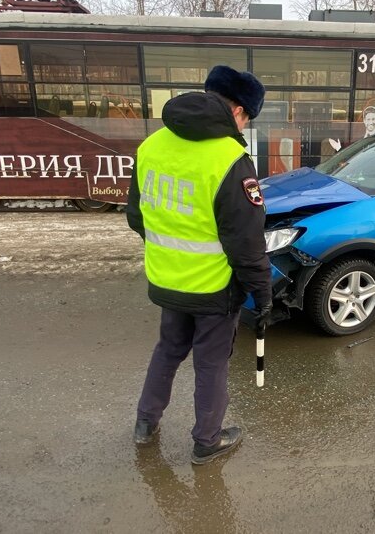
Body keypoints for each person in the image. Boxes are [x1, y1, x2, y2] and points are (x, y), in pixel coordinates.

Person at [126, 65, 272, 465]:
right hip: (214, 289)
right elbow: (245, 244)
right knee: (211, 364)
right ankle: (207, 440)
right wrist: (263, 293)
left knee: (168, 349)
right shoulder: (230, 159)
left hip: (166, 280)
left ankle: (145, 423)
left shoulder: (152, 145)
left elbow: (136, 217)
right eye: (249, 118)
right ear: (239, 110)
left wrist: (170, 253)